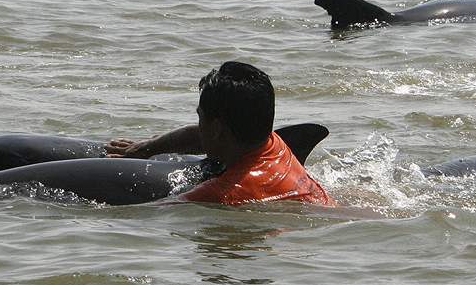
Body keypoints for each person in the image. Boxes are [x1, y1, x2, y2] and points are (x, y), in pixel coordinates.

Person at [105, 61, 335, 206]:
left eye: (200, 117)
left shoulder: (226, 192)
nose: (199, 125)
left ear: (217, 130)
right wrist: (145, 149)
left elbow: (160, 212)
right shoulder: (270, 142)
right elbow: (199, 137)